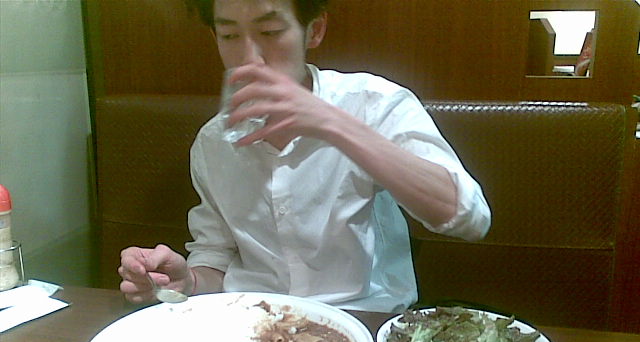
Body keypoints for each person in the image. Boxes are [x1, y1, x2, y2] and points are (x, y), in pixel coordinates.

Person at [118, 0, 491, 312]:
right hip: (252, 323)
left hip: (362, 318)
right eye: (230, 36)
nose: (250, 58)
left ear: (314, 30)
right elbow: (215, 256)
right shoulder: (213, 142)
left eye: (270, 31)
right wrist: (187, 280)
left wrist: (332, 123)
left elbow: (469, 217)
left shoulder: (372, 104)